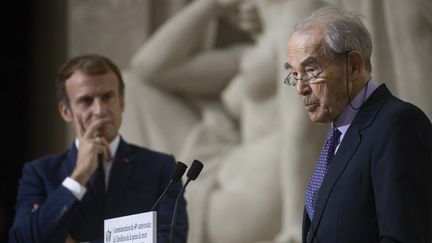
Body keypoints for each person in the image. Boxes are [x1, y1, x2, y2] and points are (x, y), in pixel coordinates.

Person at [284, 6, 432, 243]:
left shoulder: (397, 125)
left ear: (353, 65)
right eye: (294, 74)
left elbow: (403, 237)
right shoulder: (339, 137)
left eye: (311, 70)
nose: (300, 88)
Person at [9, 54, 188, 243]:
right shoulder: (39, 173)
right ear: (65, 111)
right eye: (86, 100)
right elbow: (22, 239)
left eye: (107, 97)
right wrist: (78, 176)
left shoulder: (161, 168)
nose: (100, 110)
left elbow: (171, 239)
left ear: (122, 102)